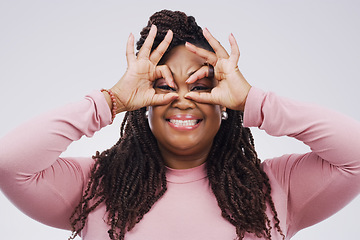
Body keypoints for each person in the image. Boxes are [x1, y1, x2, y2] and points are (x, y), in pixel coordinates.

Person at [0, 9, 359, 240]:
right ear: (144, 104)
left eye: (202, 88)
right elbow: (9, 163)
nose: (183, 99)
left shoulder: (277, 188)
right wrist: (111, 101)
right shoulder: (93, 185)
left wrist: (255, 101)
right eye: (164, 87)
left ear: (224, 104)